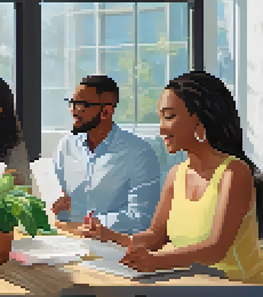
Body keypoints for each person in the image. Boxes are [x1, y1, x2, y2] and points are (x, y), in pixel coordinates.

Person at [77, 71, 263, 282]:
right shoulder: (177, 174)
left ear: (199, 119)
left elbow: (215, 249)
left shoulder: (234, 173)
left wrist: (156, 262)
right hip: (187, 282)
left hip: (236, 287)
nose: (161, 128)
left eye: (169, 116)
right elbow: (156, 237)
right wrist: (109, 236)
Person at [51, 75, 161, 234]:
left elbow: (141, 218)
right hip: (66, 238)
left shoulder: (138, 153)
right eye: (72, 103)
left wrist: (91, 225)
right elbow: (57, 198)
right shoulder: (65, 146)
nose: (73, 110)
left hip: (114, 246)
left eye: (82, 105)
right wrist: (56, 204)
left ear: (106, 111)